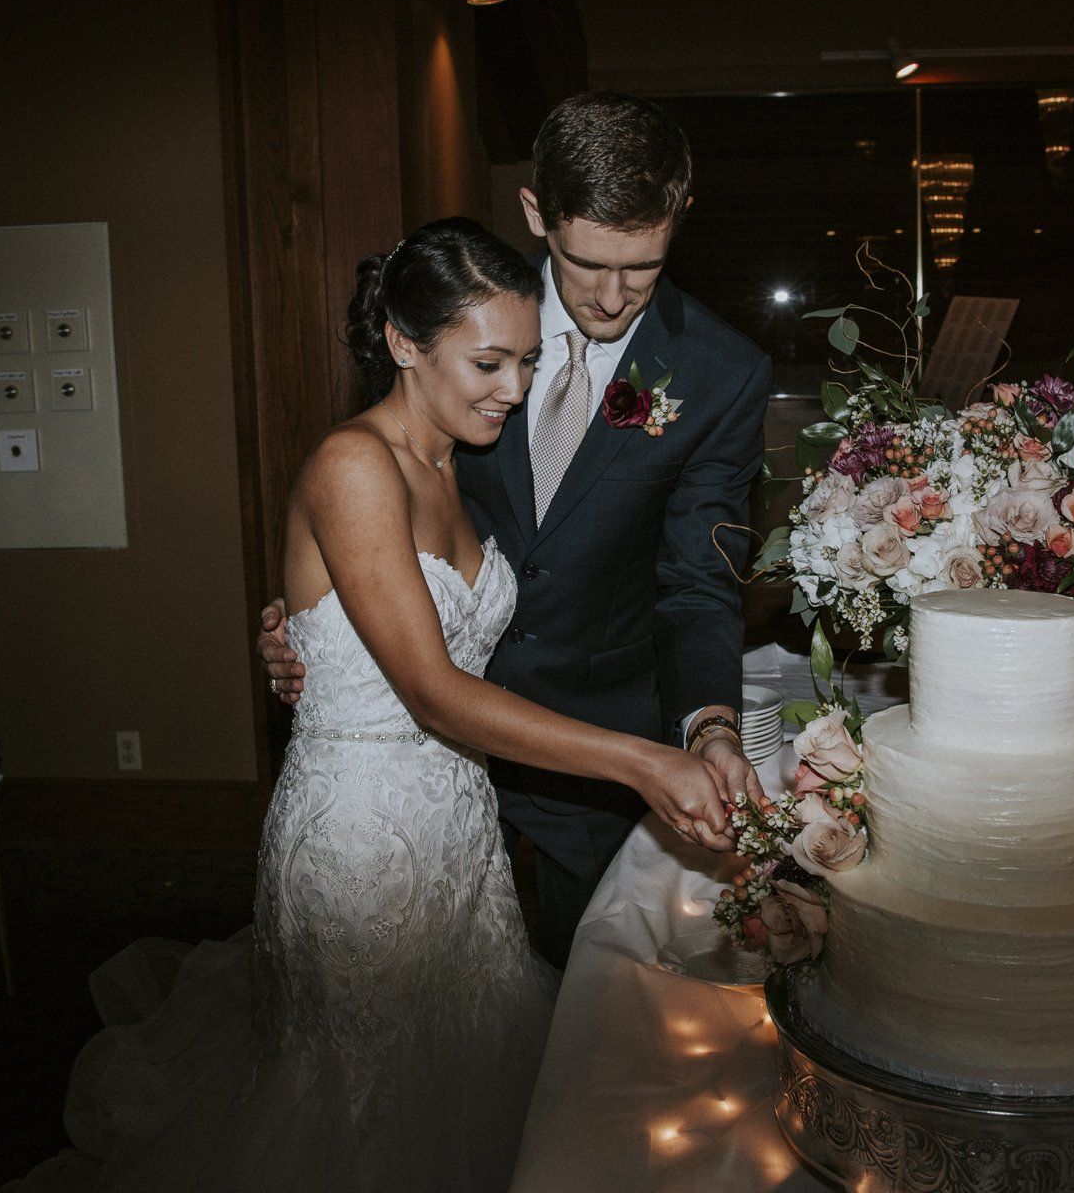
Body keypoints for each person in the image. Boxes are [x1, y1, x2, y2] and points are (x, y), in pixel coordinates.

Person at [8, 218, 731, 1193]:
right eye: (486, 362)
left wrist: (294, 631)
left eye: (524, 360)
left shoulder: (462, 460)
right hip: (359, 836)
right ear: (402, 342)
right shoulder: (355, 465)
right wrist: (644, 760)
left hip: (457, 822)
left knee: (465, 1076)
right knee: (358, 1105)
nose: (512, 389)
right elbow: (432, 688)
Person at [259, 91, 773, 965]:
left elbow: (695, 582)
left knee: (585, 1029)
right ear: (538, 213)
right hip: (415, 758)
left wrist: (708, 727)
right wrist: (321, 619)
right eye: (585, 263)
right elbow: (375, 498)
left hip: (597, 760)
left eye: (642, 268)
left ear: (680, 218)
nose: (612, 299)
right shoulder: (461, 318)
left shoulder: (721, 374)